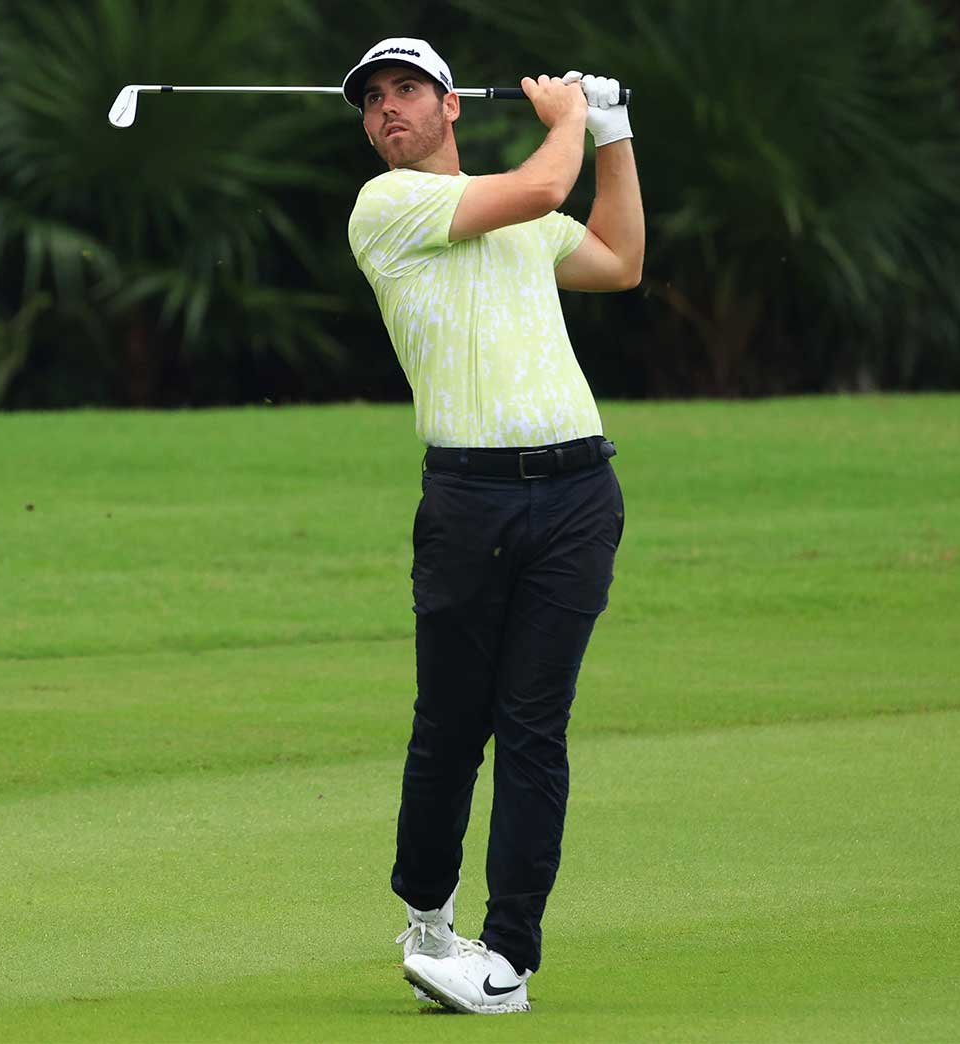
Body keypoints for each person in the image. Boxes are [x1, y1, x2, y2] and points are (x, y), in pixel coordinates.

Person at [341, 37, 643, 1015]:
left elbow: (617, 259)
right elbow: (529, 193)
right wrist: (565, 122)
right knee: (449, 724)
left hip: (576, 489)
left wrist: (611, 132)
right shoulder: (386, 206)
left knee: (531, 726)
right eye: (371, 100)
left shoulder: (521, 215)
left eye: (406, 91)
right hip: (467, 498)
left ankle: (506, 958)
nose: (386, 110)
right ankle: (428, 917)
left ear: (448, 105)